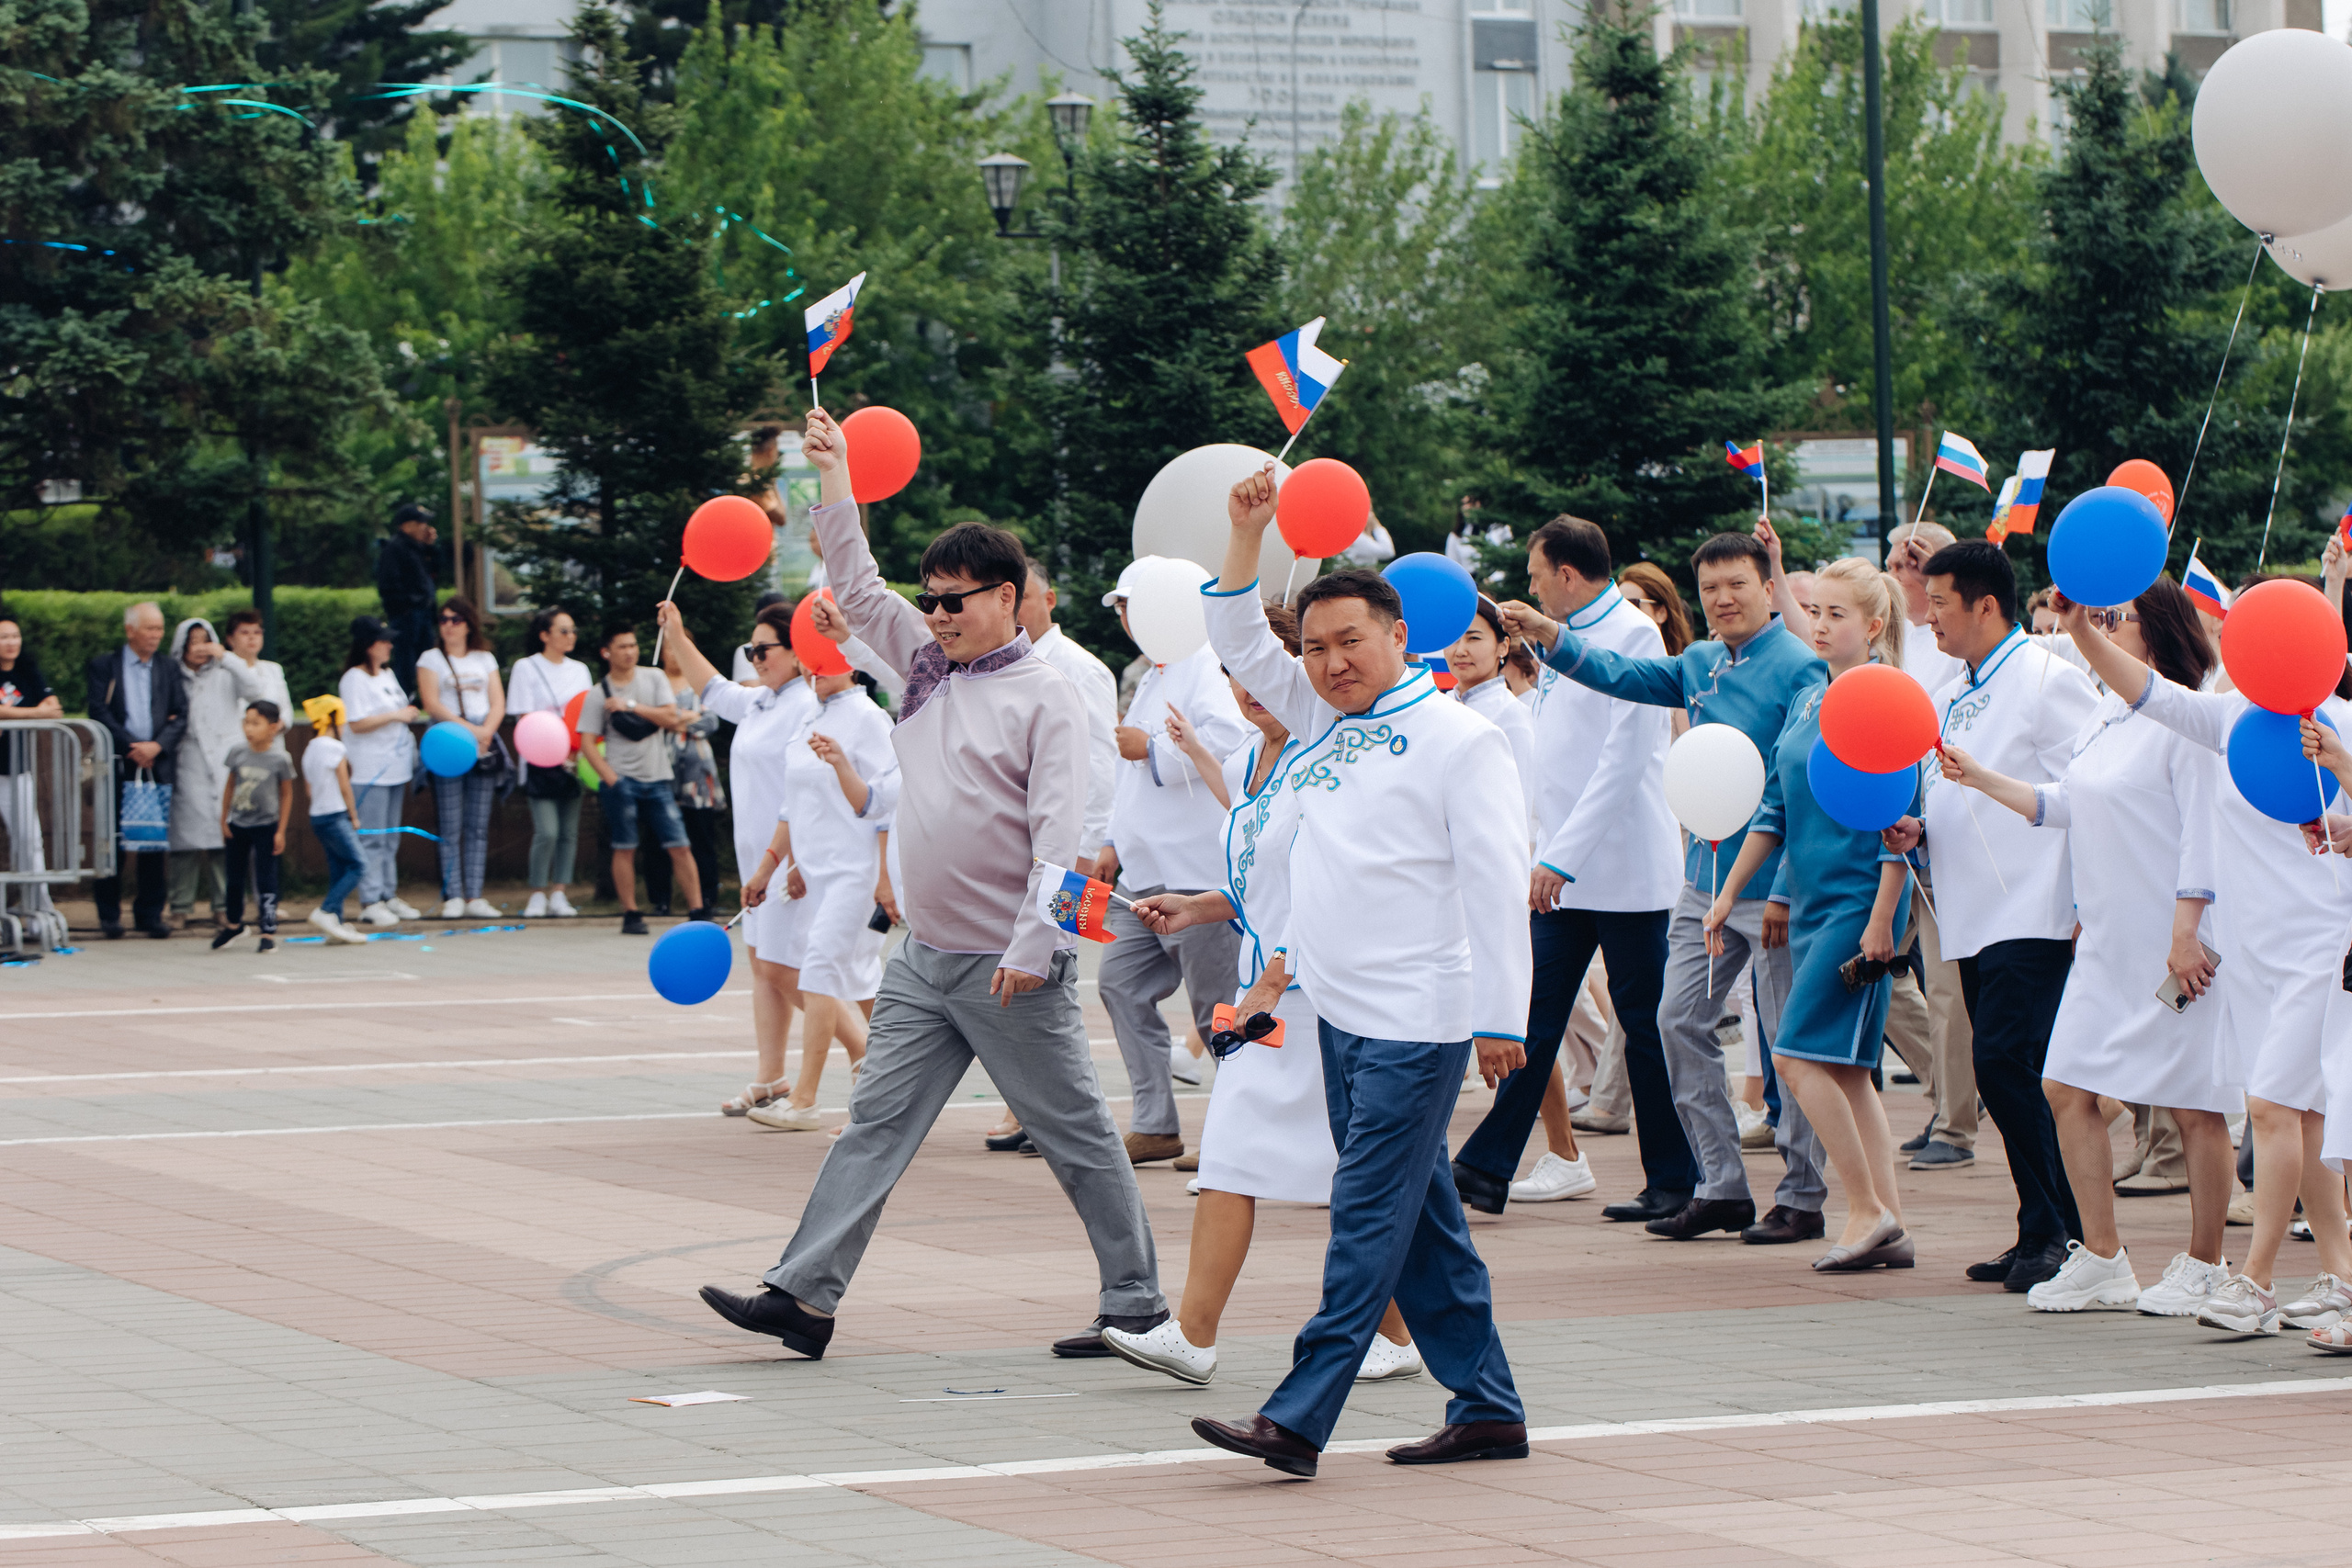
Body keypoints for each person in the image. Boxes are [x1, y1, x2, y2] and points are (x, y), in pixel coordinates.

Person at [694, 407, 1165, 1362]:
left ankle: (1138, 1305)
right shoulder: (923, 668)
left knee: (1074, 1136)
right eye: (933, 598)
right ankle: (803, 1298)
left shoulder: (1050, 698)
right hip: (925, 959)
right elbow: (855, 585)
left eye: (958, 599)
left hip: (1009, 965)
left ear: (1009, 597)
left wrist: (1038, 951)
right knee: (872, 1127)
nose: (940, 613)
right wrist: (833, 475)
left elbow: (1067, 838)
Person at [1183, 463, 1530, 1478]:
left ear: (1397, 639)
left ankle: (1297, 1417)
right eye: (1317, 648)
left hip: (1418, 1023)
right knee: (1422, 1225)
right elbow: (1238, 639)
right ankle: (1488, 1408)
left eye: (1350, 643)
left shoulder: (1459, 743)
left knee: (1368, 1219)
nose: (1330, 662)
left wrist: (1501, 1017)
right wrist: (1246, 536)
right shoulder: (1330, 722)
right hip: (1334, 1011)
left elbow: (1494, 887)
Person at [1109, 604, 1424, 1386]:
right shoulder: (1253, 755)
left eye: (1267, 668)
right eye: (1236, 674)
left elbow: (1330, 883)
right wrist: (1198, 905)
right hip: (1269, 991)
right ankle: (1196, 1333)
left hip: (1318, 990)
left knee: (1346, 1167)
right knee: (1239, 1151)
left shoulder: (1326, 757)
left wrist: (1274, 976)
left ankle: (1396, 1330)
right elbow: (1263, 877)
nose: (1249, 689)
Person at [1510, 531, 1832, 1245]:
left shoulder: (1802, 668)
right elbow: (1621, 675)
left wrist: (1778, 888)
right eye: (1711, 587)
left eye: (1737, 584)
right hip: (1701, 884)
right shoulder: (1697, 661)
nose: (1723, 598)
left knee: (1785, 1044)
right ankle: (1720, 1185)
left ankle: (1803, 1194)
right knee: (1676, 1020)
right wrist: (1551, 637)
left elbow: (1794, 780)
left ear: (1766, 589)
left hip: (1776, 886)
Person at [1933, 576, 2233, 1315]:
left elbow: (2203, 833)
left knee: (2197, 1104)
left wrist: (2188, 931)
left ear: (2155, 630)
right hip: (2104, 940)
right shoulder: (2105, 716)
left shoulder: (2187, 721)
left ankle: (2206, 1261)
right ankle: (2102, 1257)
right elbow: (2066, 803)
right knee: (2066, 1086)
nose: (2103, 628)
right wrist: (1981, 778)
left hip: (2173, 943)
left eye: (2118, 618)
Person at [2058, 580, 2352, 1333]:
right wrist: (2079, 628)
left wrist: (2343, 771)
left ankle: (2251, 1280)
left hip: (2324, 942)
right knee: (2308, 1118)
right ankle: (2339, 1272)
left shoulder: (2342, 722)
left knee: (2271, 1108)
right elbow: (2148, 691)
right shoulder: (2225, 718)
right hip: (2251, 946)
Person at [1882, 541, 2101, 1293]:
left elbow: (2088, 787)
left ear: (1985, 604)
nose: (1928, 614)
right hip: (1973, 909)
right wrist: (1919, 831)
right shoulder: (1952, 688)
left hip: (2035, 904)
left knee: (2011, 1065)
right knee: (2003, 1067)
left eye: (1939, 600)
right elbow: (1953, 792)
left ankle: (2071, 1232)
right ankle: (2040, 1225)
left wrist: (2082, 900)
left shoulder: (2046, 676)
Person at [1459, 518, 1689, 1218]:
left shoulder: (1633, 635)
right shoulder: (1558, 640)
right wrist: (1544, 852)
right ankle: (1486, 1165)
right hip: (1563, 867)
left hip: (1623, 868)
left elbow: (1622, 765)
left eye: (1534, 574)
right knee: (1534, 1016)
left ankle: (1674, 1178)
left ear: (1565, 573)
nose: (1529, 587)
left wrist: (1559, 856)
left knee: (1644, 1029)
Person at [1702, 559, 1918, 1269]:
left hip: (1859, 907)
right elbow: (1775, 806)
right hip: (1813, 904)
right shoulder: (1808, 698)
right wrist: (1732, 890)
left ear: (1874, 626)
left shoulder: (1887, 700)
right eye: (1814, 611)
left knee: (1794, 1056)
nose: (1819, 625)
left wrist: (1884, 918)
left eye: (1836, 615)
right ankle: (1888, 1222)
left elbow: (1901, 821)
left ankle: (1864, 1209)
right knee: (1847, 1070)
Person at [1096, 559, 1250, 1162]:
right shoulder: (1156, 674)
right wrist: (1113, 839)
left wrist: (1152, 748)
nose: (1128, 618)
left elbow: (1232, 747)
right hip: (1145, 871)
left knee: (1219, 1013)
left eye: (1134, 604)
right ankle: (1156, 1121)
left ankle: (1249, 1128)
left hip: (1196, 874)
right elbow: (1129, 774)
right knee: (1118, 984)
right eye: (1123, 607)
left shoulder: (1205, 666)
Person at [988, 556, 1122, 1155]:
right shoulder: (1001, 669)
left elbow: (1097, 766)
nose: (1015, 611)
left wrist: (1090, 851)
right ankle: (1030, 1108)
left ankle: (1058, 1114)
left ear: (1049, 599)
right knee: (1017, 972)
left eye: (1025, 598)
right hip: (1016, 855)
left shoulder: (1079, 669)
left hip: (1070, 855)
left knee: (1055, 973)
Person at [666, 600, 817, 1119]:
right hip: (758, 861)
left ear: (799, 654)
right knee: (764, 965)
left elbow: (808, 793)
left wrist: (789, 858)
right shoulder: (761, 702)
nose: (754, 658)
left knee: (787, 969)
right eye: (750, 650)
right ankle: (771, 1076)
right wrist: (678, 634)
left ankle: (870, 1054)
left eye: (764, 649)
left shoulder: (808, 706)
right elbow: (710, 686)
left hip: (789, 863)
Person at [738, 657, 899, 1131]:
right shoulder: (811, 714)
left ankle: (805, 1096)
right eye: (812, 662)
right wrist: (774, 866)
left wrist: (885, 877)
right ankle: (886, 1081)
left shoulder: (869, 717)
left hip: (857, 871)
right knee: (863, 982)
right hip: (817, 873)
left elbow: (885, 802)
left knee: (822, 970)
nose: (817, 671)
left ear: (852, 663)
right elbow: (795, 804)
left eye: (829, 661)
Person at [1885, 523, 1978, 1171]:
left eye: (1914, 557)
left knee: (1945, 986)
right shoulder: (1890, 637)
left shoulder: (1950, 646)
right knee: (1881, 973)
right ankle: (1950, 1093)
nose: (1901, 565)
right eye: (1893, 556)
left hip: (1938, 826)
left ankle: (1957, 1122)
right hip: (1891, 822)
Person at [580, 625, 705, 933]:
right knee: (625, 846)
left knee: (679, 844)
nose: (630, 652)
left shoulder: (653, 677)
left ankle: (698, 909)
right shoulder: (599, 693)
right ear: (606, 653)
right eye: (622, 646)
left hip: (658, 777)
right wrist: (611, 779)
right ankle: (631, 913)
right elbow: (587, 743)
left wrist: (631, 706)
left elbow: (671, 717)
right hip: (622, 778)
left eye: (633, 645)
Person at [86, 601, 186, 938]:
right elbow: (98, 710)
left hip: (156, 764)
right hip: (118, 762)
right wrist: (131, 745)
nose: (156, 636)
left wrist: (157, 746)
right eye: (149, 628)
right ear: (130, 630)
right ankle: (110, 915)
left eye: (160, 629)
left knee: (152, 841)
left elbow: (181, 713)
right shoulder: (105, 666)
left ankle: (150, 913)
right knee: (110, 838)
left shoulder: (168, 668)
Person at [415, 595, 506, 919]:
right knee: (450, 822)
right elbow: (432, 702)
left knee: (478, 824)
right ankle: (453, 893)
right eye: (443, 620)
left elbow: (497, 701)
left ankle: (475, 894)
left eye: (455, 620)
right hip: (449, 740)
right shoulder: (431, 658)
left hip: (482, 737)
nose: (449, 626)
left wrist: (486, 732)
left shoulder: (484, 658)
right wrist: (469, 731)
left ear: (468, 624)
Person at [507, 606, 593, 919]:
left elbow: (585, 712)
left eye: (572, 631)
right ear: (545, 635)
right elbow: (523, 716)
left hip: (572, 757)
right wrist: (549, 745)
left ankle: (560, 891)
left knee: (569, 831)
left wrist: (574, 749)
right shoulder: (526, 668)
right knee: (547, 831)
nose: (570, 636)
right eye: (563, 631)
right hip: (540, 757)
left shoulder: (580, 669)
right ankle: (536, 892)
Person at [338, 617, 420, 926]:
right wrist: (395, 716)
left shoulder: (386, 674)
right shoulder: (353, 679)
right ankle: (370, 899)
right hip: (370, 769)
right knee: (371, 836)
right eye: (383, 641)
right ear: (369, 646)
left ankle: (388, 893)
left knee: (390, 836)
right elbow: (357, 723)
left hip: (396, 766)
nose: (389, 646)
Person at [164, 617, 236, 932]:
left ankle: (224, 905)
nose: (199, 648)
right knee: (185, 838)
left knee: (223, 835)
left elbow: (253, 688)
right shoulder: (170, 675)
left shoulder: (225, 673)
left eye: (204, 640)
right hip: (186, 758)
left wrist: (227, 656)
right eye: (192, 641)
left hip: (220, 760)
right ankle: (180, 905)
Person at [650, 636, 727, 919]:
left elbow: (710, 721)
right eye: (668, 647)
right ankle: (660, 899)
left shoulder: (700, 683)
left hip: (697, 775)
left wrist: (674, 719)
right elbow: (654, 721)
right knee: (660, 839)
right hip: (662, 770)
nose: (673, 654)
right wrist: (684, 717)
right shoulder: (655, 683)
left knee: (702, 837)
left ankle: (707, 897)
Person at [209, 700, 294, 953]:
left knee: (266, 878)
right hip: (239, 823)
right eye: (246, 722)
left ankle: (268, 931)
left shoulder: (280, 759)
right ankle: (234, 924)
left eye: (256, 723)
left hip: (266, 826)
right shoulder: (237, 752)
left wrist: (280, 830)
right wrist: (224, 818)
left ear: (273, 727)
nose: (249, 728)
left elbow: (287, 795)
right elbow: (230, 785)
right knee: (234, 877)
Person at [1447, 596, 1535, 829]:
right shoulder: (1438, 705)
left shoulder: (1513, 716)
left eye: (1474, 638)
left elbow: (1522, 804)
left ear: (1503, 646)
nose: (1460, 650)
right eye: (1453, 639)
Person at [0, 614, 62, 926]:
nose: (11, 643)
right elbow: (39, 710)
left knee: (29, 840)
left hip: (17, 769)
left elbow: (53, 707)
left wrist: (15, 715)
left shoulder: (27, 671)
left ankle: (38, 909)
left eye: (15, 636)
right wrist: (32, 712)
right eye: (3, 637)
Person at [298, 696, 368, 944]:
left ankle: (335, 923)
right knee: (359, 865)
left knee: (338, 868)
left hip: (318, 816)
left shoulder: (309, 749)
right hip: (335, 814)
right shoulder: (334, 747)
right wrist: (353, 815)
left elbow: (309, 790)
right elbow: (344, 785)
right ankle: (327, 911)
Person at [1612, 562, 1693, 739]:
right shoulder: (1614, 674)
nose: (1623, 614)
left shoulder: (1683, 679)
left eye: (1632, 604)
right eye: (1617, 607)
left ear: (1661, 613)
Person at [376, 502, 439, 695]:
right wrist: (405, 607)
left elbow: (438, 569)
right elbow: (388, 585)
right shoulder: (394, 549)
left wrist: (431, 548)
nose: (425, 528)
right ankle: (404, 695)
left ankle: (426, 694)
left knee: (427, 656)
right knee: (405, 658)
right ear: (407, 525)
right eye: (421, 522)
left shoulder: (419, 549)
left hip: (424, 613)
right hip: (407, 614)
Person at [219, 610, 291, 754]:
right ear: (230, 639)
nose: (252, 638)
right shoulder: (221, 673)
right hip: (237, 748)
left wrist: (277, 726)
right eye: (244, 633)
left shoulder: (273, 669)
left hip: (272, 746)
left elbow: (286, 709)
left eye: (257, 632)